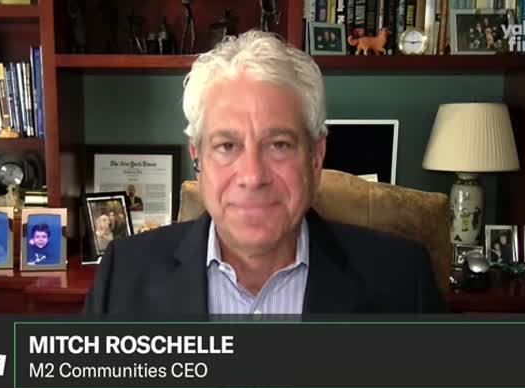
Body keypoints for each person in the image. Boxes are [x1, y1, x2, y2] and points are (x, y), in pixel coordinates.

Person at [84, 30, 446, 314]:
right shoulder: (123, 277)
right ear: (198, 157)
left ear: (316, 156)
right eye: (227, 146)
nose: (253, 176)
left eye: (279, 145)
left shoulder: (402, 281)